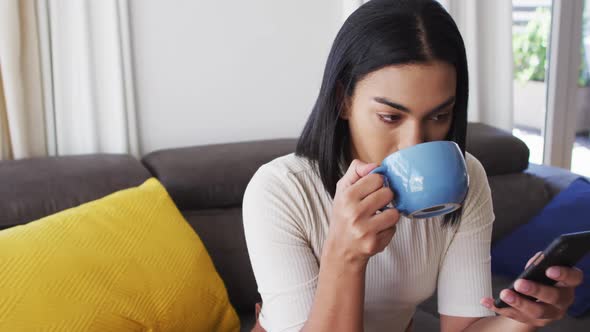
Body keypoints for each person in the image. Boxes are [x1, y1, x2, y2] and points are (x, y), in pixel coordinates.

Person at [242, 1, 584, 331]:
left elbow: (464, 327)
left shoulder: (467, 178)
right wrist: (345, 258)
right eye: (390, 116)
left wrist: (523, 318)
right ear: (342, 100)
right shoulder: (279, 191)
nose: (415, 143)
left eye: (439, 116)